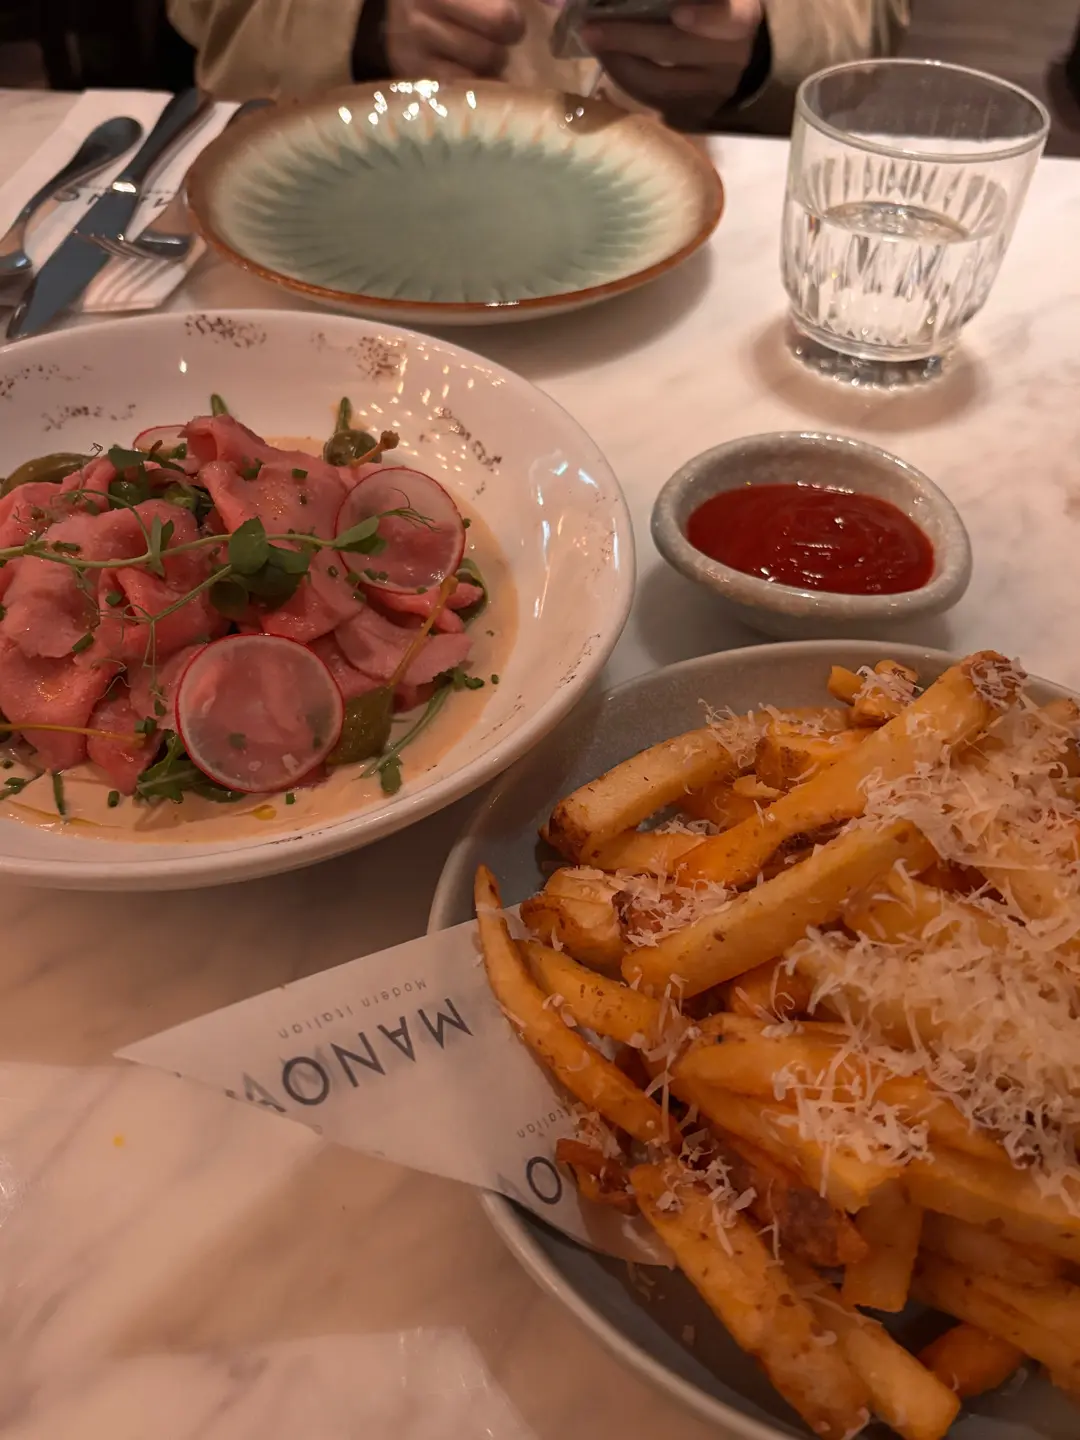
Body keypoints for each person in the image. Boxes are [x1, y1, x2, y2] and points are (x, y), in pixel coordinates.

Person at [167, 0, 909, 132]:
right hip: (348, 181)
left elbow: (865, 16)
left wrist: (765, 46)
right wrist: (354, 23)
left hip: (700, 206)